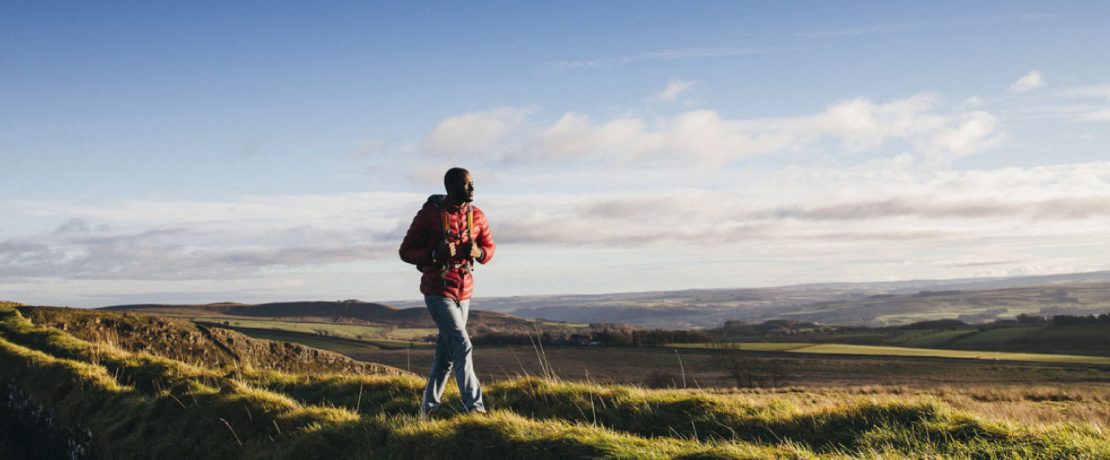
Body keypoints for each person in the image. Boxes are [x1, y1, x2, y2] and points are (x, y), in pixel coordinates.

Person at [399, 167, 495, 417]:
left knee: (446, 356)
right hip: (437, 291)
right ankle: (474, 408)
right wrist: (433, 254)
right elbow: (406, 251)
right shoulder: (429, 215)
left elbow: (489, 248)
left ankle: (427, 410)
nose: (472, 189)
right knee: (462, 345)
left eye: (473, 183)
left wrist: (479, 253)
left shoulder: (478, 216)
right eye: (467, 185)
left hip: (464, 292)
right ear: (450, 187)